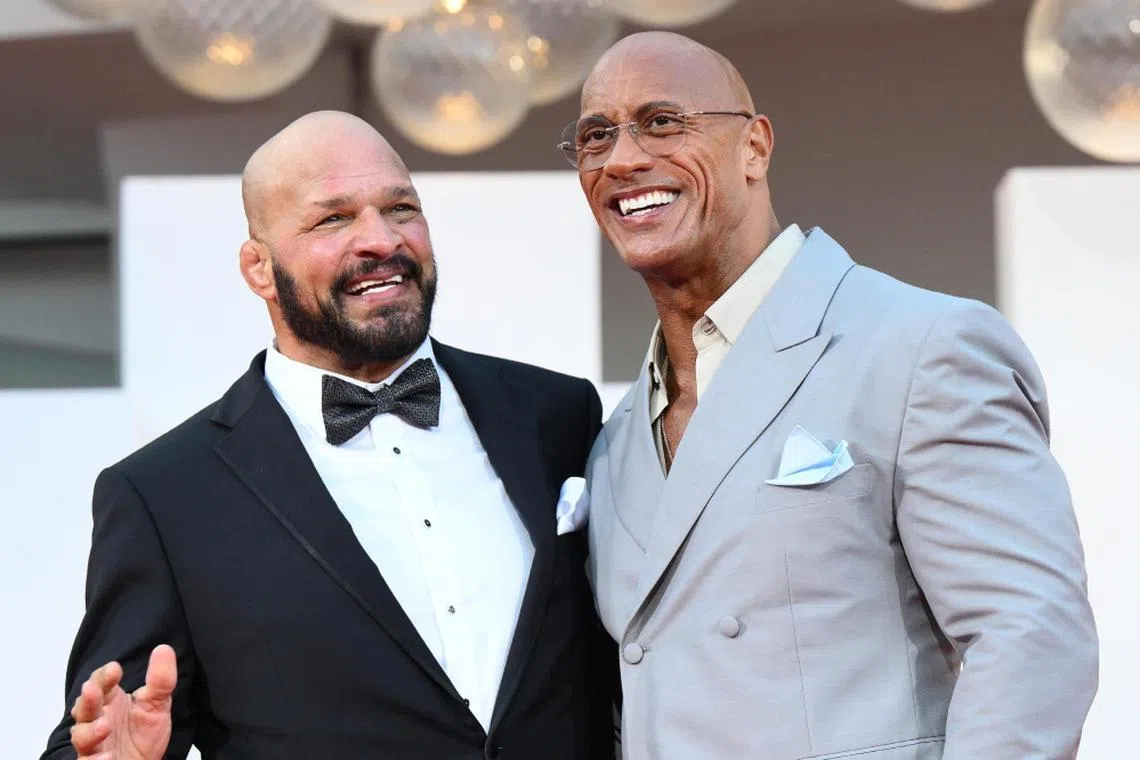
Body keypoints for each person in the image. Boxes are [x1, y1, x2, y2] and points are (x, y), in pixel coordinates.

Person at [569, 32, 1098, 760]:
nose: (623, 159)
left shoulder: (921, 347)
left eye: (663, 122)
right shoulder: (616, 439)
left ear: (754, 147)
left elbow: (1030, 638)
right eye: (596, 136)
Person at [44, 110, 617, 760]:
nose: (381, 240)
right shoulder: (163, 495)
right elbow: (103, 733)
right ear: (258, 268)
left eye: (401, 208)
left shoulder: (555, 413)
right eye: (333, 219)